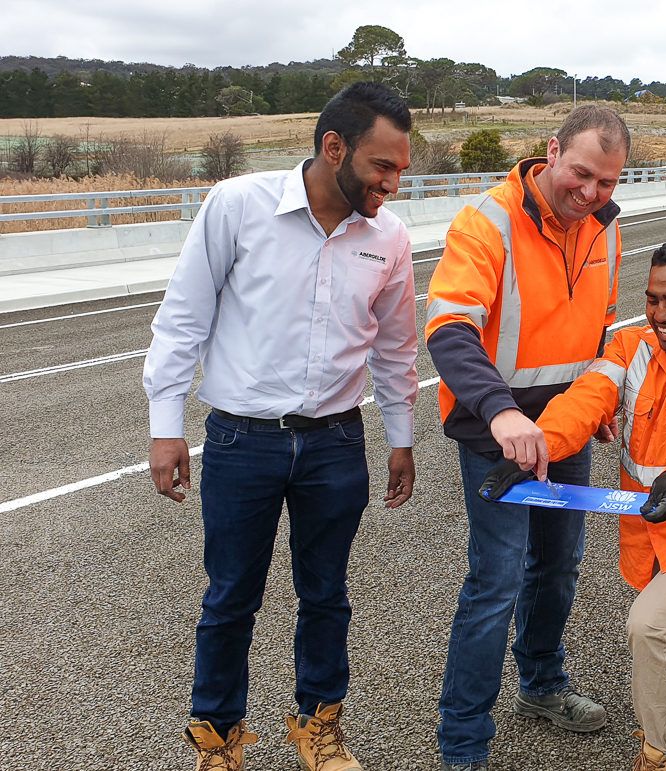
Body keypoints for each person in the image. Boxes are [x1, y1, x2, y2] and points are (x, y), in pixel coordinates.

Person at [144, 81, 419, 771]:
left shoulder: (388, 237)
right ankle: (220, 739)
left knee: (326, 593)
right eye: (382, 166)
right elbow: (184, 318)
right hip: (242, 440)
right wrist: (165, 424)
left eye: (400, 168)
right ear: (334, 148)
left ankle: (318, 728)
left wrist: (402, 437)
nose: (393, 181)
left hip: (335, 443)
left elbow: (393, 348)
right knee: (231, 597)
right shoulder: (238, 206)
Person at [480, 239, 666, 771]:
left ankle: (664, 753)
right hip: (651, 532)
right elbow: (584, 401)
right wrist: (531, 450)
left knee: (649, 627)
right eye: (653, 298)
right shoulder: (628, 347)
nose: (661, 313)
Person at [424, 104, 631, 771]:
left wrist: (599, 405)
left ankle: (541, 683)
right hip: (498, 433)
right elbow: (450, 328)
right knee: (497, 578)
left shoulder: (605, 228)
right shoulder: (488, 221)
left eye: (607, 182)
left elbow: (600, 327)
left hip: (565, 429)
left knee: (559, 566)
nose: (592, 193)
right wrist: (500, 412)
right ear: (551, 151)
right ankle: (463, 740)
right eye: (581, 174)